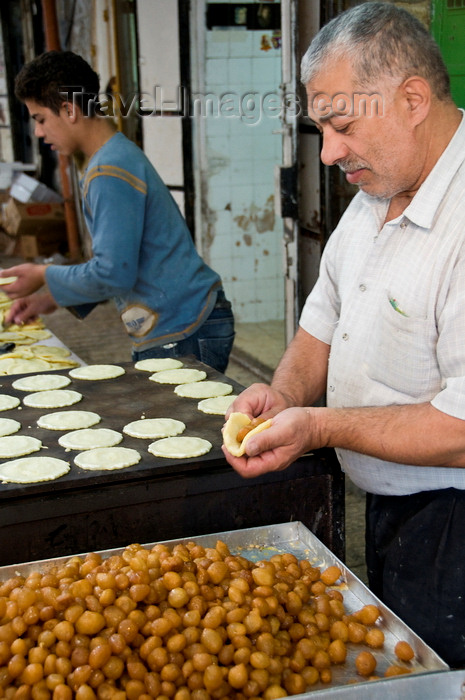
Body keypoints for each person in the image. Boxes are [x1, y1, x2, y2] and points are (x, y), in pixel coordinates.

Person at [223, 2, 465, 667]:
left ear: (412, 98)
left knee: (439, 675)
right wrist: (282, 395)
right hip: (384, 507)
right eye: (320, 129)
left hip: (453, 526)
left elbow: (460, 429)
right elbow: (318, 325)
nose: (329, 153)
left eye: (341, 125)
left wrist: (321, 426)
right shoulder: (370, 199)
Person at [0, 51, 234, 373]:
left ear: (69, 110)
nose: (39, 133)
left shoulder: (108, 170)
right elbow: (119, 264)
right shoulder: (111, 156)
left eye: (40, 119)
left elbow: (112, 272)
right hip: (182, 321)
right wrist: (50, 299)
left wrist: (44, 276)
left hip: (183, 327)